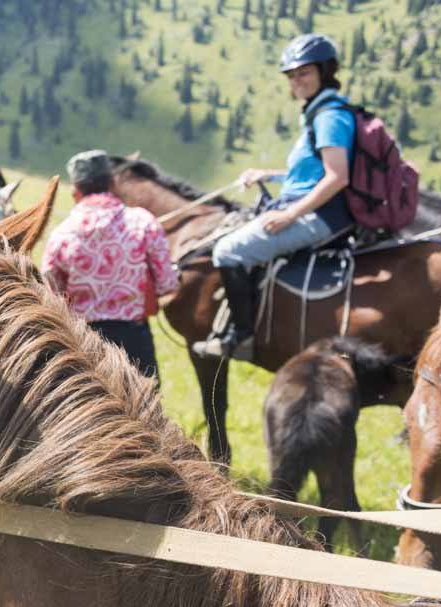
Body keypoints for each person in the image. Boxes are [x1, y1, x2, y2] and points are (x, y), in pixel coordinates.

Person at [193, 33, 354, 361]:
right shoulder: (319, 113)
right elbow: (310, 175)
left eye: (304, 73)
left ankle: (241, 337)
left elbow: (338, 177)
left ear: (324, 72)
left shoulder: (329, 118)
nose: (297, 81)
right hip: (314, 208)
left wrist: (290, 215)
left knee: (228, 251)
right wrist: (269, 175)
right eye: (292, 75)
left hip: (320, 216)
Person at [42, 150, 179, 381]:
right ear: (113, 183)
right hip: (135, 341)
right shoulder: (143, 222)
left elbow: (51, 296)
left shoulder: (61, 235)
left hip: (84, 343)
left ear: (76, 191)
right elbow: (167, 284)